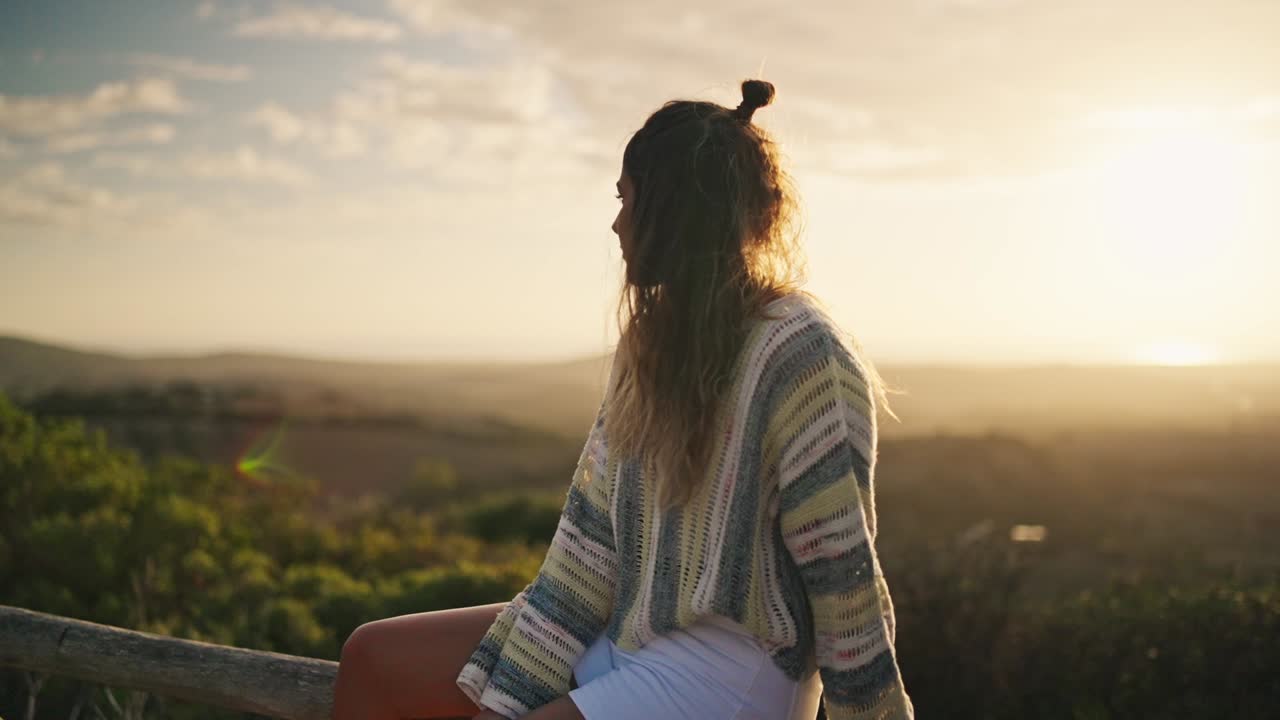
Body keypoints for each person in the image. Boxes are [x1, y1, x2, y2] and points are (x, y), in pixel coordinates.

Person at [332, 79, 913, 720]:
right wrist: (521, 680)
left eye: (626, 199)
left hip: (730, 677)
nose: (616, 223)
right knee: (370, 657)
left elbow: (841, 571)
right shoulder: (652, 344)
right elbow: (592, 536)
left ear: (672, 211)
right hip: (629, 633)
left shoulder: (803, 355)